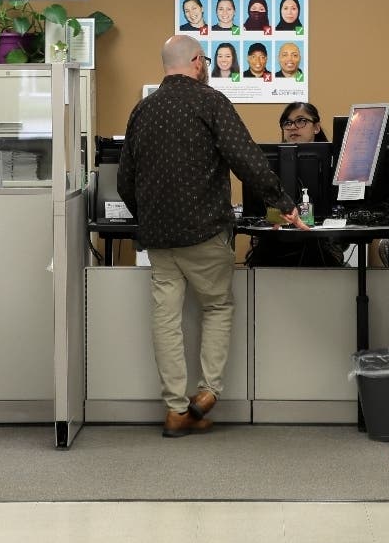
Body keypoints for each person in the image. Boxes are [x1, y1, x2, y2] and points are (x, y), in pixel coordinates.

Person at [117, 35, 306, 438]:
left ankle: (174, 410)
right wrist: (284, 205)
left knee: (165, 319)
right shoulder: (209, 101)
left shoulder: (141, 111)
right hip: (205, 231)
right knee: (217, 306)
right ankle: (206, 395)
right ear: (198, 62)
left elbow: (124, 181)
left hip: (160, 239)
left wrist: (148, 217)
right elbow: (247, 160)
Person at [246, 103, 342, 268]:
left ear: (316, 127)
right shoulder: (269, 162)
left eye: (301, 121)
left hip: (319, 240)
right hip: (276, 238)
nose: (293, 127)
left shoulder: (334, 163)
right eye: (288, 123)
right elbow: (259, 206)